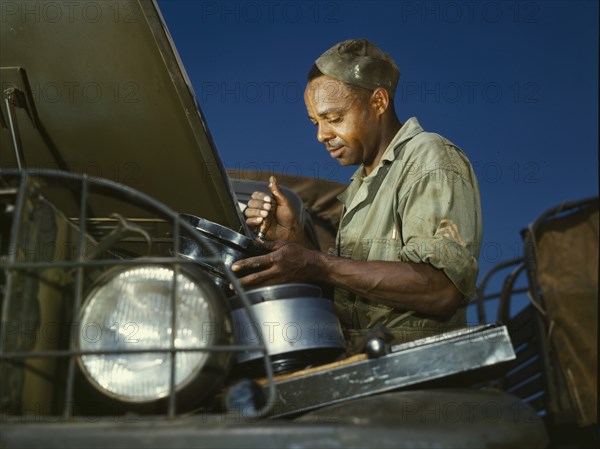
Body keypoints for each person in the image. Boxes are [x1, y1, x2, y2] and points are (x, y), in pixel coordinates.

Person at [231, 39, 482, 345]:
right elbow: (351, 293)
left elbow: (441, 290)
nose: (322, 135)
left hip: (421, 373)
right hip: (366, 367)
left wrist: (317, 264)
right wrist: (296, 241)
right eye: (315, 122)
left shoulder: (428, 157)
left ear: (378, 102)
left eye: (334, 118)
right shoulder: (362, 185)